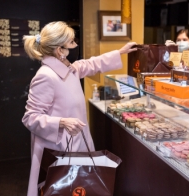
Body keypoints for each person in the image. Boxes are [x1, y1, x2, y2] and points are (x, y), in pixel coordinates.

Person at [21, 21, 137, 196]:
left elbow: (90, 64)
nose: (75, 46)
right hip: (58, 148)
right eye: (72, 43)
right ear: (60, 50)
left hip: (75, 143)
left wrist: (120, 52)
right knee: (58, 189)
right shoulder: (46, 76)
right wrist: (61, 122)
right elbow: (30, 117)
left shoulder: (69, 70)